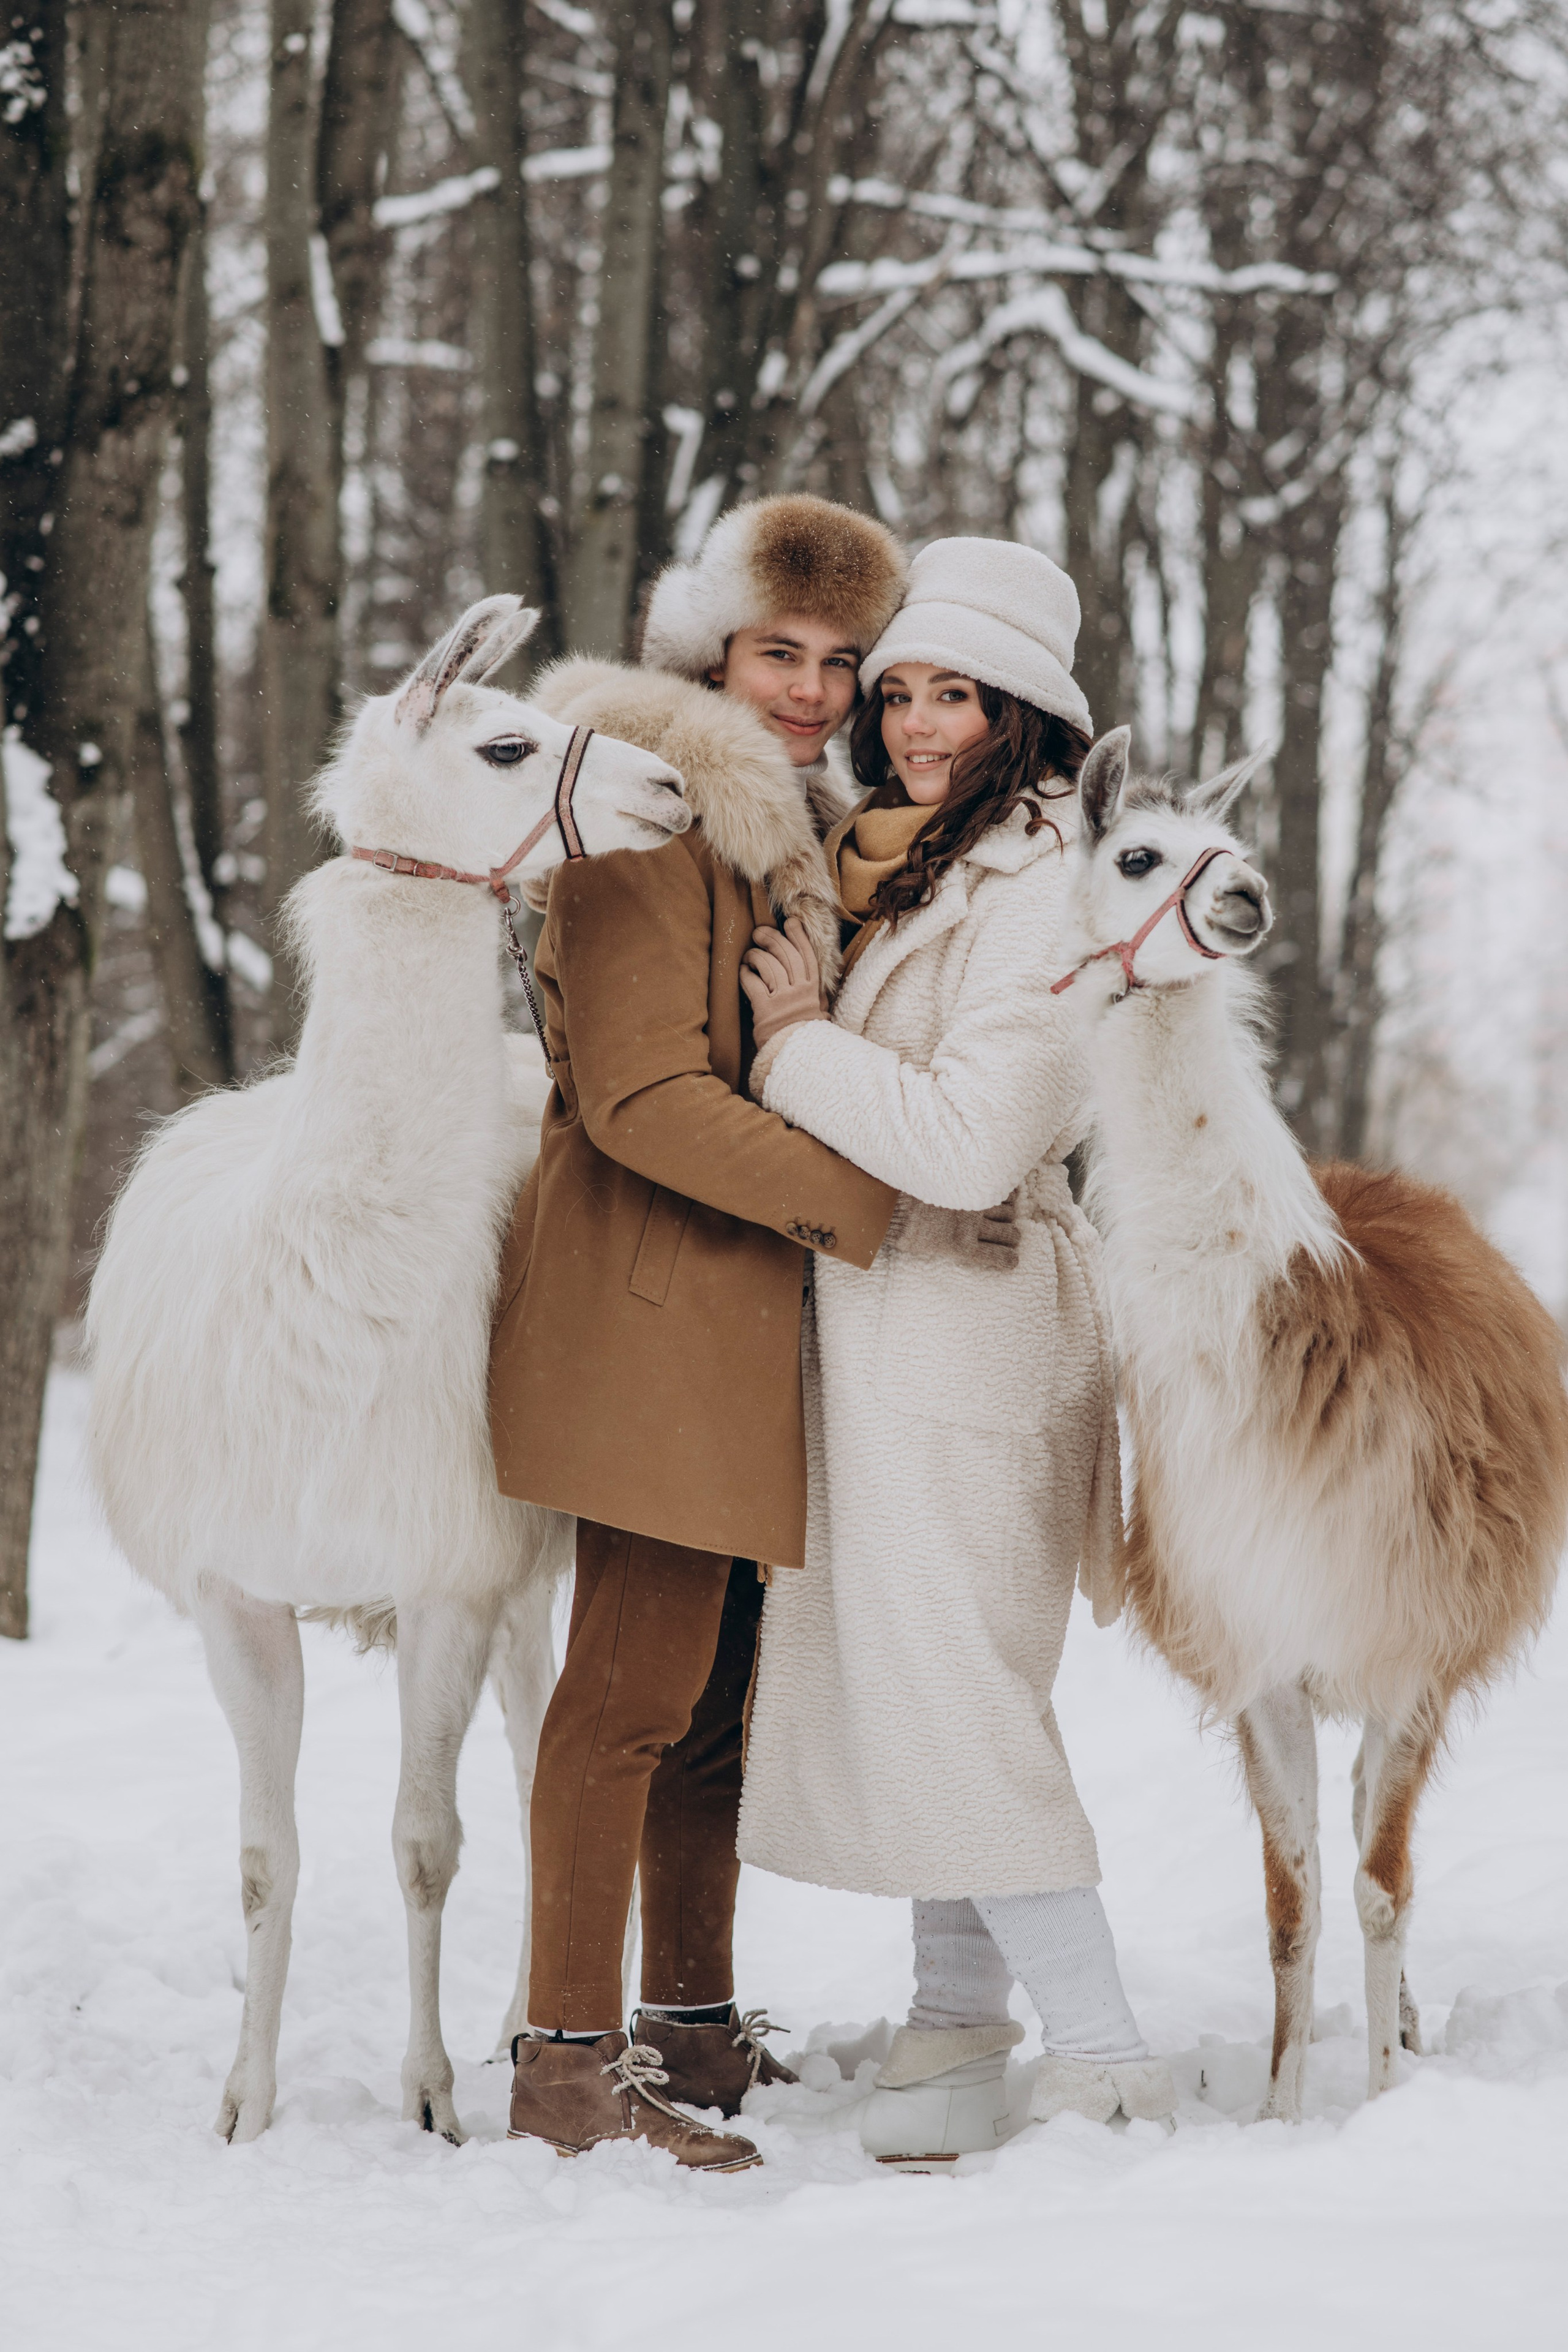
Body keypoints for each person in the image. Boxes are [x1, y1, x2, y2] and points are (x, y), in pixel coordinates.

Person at [491, 497, 998, 2169]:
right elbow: (642, 1099)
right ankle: (567, 2074)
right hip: (647, 1302)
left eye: (843, 663)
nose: (811, 689)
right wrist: (876, 1203)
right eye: (781, 652)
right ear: (710, 643)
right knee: (627, 1688)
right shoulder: (641, 815)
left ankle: (690, 2038)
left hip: (736, 1312)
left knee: (711, 1701)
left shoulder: (773, 831)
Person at [735, 537, 1177, 2163]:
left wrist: (792, 1047)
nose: (917, 723)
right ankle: (956, 2011)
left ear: (1029, 712)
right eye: (903, 690)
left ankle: (1111, 2057)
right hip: (891, 1320)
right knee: (923, 1686)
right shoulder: (939, 857)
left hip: (974, 1309)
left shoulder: (1057, 879)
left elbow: (974, 1138)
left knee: (963, 1695)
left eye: (958, 694)